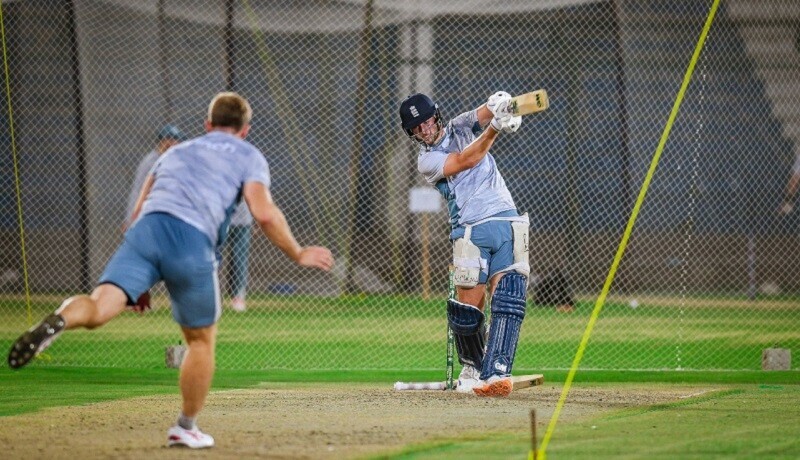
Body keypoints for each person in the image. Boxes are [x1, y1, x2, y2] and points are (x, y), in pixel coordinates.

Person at [7, 92, 334, 448]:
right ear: (244, 130)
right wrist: (298, 253)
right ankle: (186, 426)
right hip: (192, 239)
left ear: (207, 125)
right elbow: (265, 213)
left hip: (145, 233)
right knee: (200, 341)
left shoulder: (175, 151)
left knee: (99, 306)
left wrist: (142, 277)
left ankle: (58, 320)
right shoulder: (249, 155)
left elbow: (140, 208)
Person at [399, 92, 529, 397]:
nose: (425, 130)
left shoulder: (460, 126)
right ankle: (472, 369)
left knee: (508, 299)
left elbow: (484, 112)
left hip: (505, 218)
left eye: (427, 121)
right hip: (470, 230)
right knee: (469, 309)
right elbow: (467, 159)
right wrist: (496, 129)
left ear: (437, 116)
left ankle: (497, 373)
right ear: (412, 133)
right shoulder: (427, 162)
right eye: (417, 127)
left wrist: (502, 105)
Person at [124, 124, 187, 229]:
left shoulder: (171, 160)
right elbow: (138, 190)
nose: (177, 144)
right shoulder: (151, 161)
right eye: (175, 140)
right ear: (166, 142)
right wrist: (130, 219)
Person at [227, 202, 253, 312]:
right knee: (212, 257)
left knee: (240, 260)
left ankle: (238, 297)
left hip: (243, 221)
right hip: (219, 220)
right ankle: (210, 295)